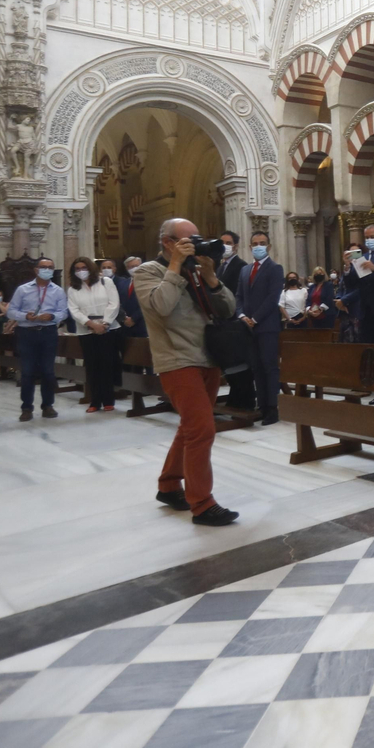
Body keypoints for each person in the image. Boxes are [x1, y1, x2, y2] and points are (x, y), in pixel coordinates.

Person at [132, 218, 239, 526]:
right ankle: (203, 504)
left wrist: (210, 276)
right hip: (177, 361)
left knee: (190, 428)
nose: (196, 243)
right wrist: (175, 266)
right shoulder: (147, 272)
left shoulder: (198, 270)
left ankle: (168, 486)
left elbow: (228, 309)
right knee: (202, 430)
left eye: (197, 237)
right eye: (188, 239)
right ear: (168, 243)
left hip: (208, 357)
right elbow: (160, 306)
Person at [5, 257, 68, 422]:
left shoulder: (58, 290)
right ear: (36, 270)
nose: (47, 269)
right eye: (43, 267)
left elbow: (64, 312)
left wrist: (52, 316)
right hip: (27, 333)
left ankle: (48, 405)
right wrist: (25, 315)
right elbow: (11, 311)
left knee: (48, 371)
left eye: (50, 267)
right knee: (27, 372)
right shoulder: (23, 290)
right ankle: (26, 408)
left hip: (48, 332)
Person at [235, 231, 284, 426]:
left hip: (267, 326)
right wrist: (241, 315)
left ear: (269, 246)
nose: (258, 246)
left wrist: (255, 318)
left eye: (262, 243)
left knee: (269, 367)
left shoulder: (275, 268)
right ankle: (261, 405)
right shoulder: (245, 270)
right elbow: (238, 296)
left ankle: (272, 407)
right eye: (255, 243)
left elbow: (273, 298)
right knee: (256, 367)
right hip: (248, 327)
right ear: (249, 247)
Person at [66, 255, 122, 413]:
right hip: (86, 330)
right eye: (77, 269)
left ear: (90, 268)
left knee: (107, 364)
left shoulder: (106, 282)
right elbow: (74, 310)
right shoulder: (73, 288)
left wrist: (104, 323)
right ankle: (95, 401)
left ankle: (109, 400)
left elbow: (114, 303)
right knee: (92, 366)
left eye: (84, 268)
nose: (81, 271)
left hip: (108, 328)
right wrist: (90, 324)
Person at [217, 231, 254, 409]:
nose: (225, 245)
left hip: (234, 321)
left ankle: (244, 401)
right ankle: (234, 398)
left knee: (239, 365)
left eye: (228, 242)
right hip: (221, 321)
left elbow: (240, 294)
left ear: (236, 246)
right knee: (228, 365)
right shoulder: (219, 266)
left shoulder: (241, 266)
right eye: (222, 242)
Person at [117, 256, 148, 338]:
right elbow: (118, 302)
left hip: (142, 324)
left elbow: (147, 303)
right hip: (125, 326)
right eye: (131, 267)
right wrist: (124, 318)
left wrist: (134, 319)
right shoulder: (122, 283)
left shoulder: (148, 282)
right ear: (127, 268)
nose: (134, 268)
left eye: (136, 266)